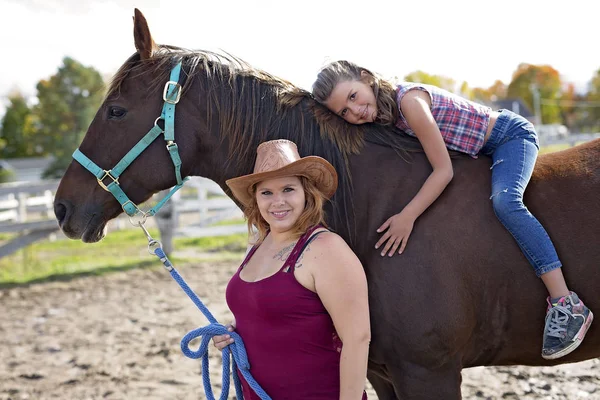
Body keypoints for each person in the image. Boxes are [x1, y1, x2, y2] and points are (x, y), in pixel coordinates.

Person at [311, 60, 593, 360]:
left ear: (366, 78)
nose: (355, 111)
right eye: (344, 111)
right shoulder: (384, 117)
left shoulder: (409, 103)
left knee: (506, 202)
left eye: (353, 96)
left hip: (509, 137)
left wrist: (407, 216)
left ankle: (566, 302)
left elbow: (443, 170)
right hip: (477, 152)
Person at [213, 139, 370, 399]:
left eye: (288, 189)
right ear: (256, 199)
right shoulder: (259, 245)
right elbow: (277, 316)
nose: (278, 202)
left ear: (307, 193)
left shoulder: (326, 249)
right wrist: (235, 334)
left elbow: (358, 338)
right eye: (267, 193)